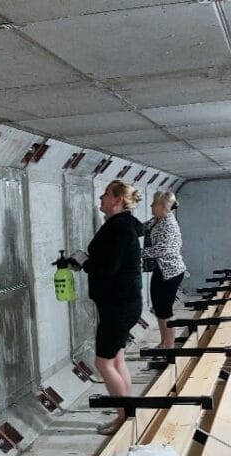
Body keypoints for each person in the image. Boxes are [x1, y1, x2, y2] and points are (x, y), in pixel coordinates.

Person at [79, 180, 145, 435]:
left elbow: (107, 268)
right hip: (124, 303)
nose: (101, 198)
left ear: (117, 200)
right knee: (117, 360)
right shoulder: (123, 226)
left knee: (103, 363)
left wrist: (84, 262)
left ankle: (123, 418)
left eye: (106, 194)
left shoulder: (118, 228)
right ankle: (126, 414)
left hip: (118, 305)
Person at [142, 190, 187, 349]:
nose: (151, 206)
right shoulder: (157, 220)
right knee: (159, 308)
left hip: (171, 272)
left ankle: (169, 345)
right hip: (161, 269)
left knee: (165, 309)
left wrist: (135, 252)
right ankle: (164, 343)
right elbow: (142, 228)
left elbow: (161, 249)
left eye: (154, 203)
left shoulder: (168, 224)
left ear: (162, 206)